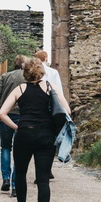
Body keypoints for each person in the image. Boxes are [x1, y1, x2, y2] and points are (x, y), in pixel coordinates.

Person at [0, 56, 71, 202]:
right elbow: (67, 111)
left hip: (24, 135)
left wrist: (17, 127)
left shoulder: (20, 89)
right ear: (42, 71)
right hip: (46, 137)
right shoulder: (50, 88)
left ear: (25, 72)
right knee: (43, 179)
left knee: (21, 174)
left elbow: (2, 113)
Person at [0, 55, 27, 198]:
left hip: (5, 115)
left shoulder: (5, 76)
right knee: (20, 151)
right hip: (23, 116)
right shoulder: (28, 77)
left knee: (5, 147)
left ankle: (6, 179)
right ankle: (16, 185)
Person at [34, 50, 62, 180]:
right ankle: (47, 168)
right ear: (46, 58)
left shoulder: (33, 71)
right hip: (52, 107)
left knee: (36, 140)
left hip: (38, 106)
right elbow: (59, 90)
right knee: (51, 139)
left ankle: (38, 170)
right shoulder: (53, 72)